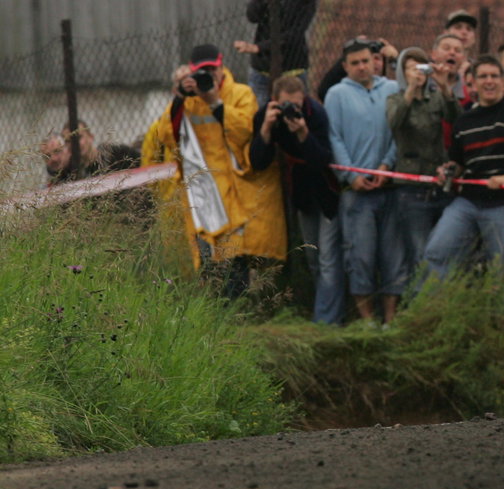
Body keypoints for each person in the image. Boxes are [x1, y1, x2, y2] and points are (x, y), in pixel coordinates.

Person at [140, 45, 285, 295]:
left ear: (221, 66)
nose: (209, 75)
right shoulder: (189, 100)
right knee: (207, 252)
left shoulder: (241, 93)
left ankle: (236, 306)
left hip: (235, 187)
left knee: (235, 250)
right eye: (202, 71)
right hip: (202, 189)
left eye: (213, 69)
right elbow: (166, 134)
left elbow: (246, 131)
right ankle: (216, 307)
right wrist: (179, 99)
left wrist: (216, 103)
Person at [422, 56, 504, 336]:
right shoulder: (465, 119)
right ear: (473, 83)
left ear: (503, 81)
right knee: (437, 252)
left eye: (495, 76)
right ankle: (434, 323)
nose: (490, 81)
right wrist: (448, 170)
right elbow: (458, 160)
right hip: (468, 200)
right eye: (483, 77)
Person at [249, 74, 344, 323]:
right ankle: (325, 311)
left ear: (305, 100)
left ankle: (326, 321)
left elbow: (322, 160)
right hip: (301, 194)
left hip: (327, 192)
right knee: (313, 258)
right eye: (286, 105)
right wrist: (266, 129)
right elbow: (258, 161)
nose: (292, 110)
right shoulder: (266, 116)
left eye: (297, 105)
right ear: (274, 101)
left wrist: (303, 133)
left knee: (328, 260)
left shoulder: (316, 115)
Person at [325, 38, 403, 325]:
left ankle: (390, 320)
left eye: (366, 61)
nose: (361, 67)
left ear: (374, 61)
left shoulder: (392, 89)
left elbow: (399, 132)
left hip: (390, 186)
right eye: (355, 63)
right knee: (360, 257)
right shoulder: (337, 94)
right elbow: (333, 137)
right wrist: (351, 175)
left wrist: (387, 166)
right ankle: (367, 320)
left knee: (393, 256)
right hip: (356, 192)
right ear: (345, 66)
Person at [387, 46, 460, 285]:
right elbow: (395, 122)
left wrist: (445, 86)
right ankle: (421, 304)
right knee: (419, 253)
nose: (417, 74)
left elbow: (456, 120)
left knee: (443, 250)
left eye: (421, 68)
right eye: (411, 69)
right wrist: (411, 91)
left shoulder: (436, 97)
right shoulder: (395, 98)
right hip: (411, 187)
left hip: (439, 183)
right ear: (402, 73)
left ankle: (441, 301)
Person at [236, 0, 320, 106]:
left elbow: (296, 32)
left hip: (293, 68)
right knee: (260, 118)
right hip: (262, 70)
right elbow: (253, 15)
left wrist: (259, 47)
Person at [40, 122, 139, 186]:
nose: (74, 144)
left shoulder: (117, 153)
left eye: (78, 138)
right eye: (68, 141)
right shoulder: (74, 172)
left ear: (91, 137)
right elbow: (56, 171)